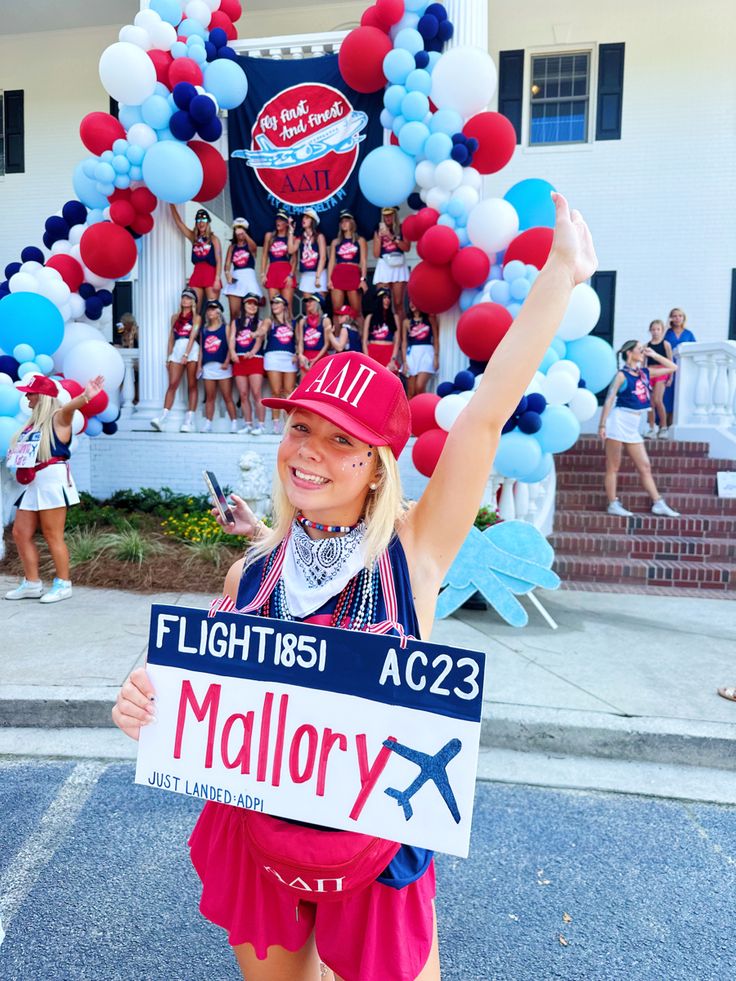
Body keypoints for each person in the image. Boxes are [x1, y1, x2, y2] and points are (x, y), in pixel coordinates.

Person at [113, 192, 598, 981]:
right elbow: (196, 693)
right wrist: (146, 698)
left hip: (375, 845)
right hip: (263, 834)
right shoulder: (252, 571)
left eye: (344, 441)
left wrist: (561, 278)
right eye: (301, 426)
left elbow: (481, 419)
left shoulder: (414, 550)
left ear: (377, 464)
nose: (310, 451)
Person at [5, 373, 104, 604]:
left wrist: (85, 397)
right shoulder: (32, 425)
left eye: (30, 393)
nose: (27, 397)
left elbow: (70, 407)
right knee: (20, 533)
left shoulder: (59, 417)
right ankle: (31, 583)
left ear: (42, 396)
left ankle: (63, 584)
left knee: (52, 534)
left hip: (51, 479)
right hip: (33, 481)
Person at [598, 339, 680, 518]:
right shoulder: (621, 375)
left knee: (645, 466)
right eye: (640, 350)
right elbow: (609, 399)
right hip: (618, 421)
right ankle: (613, 503)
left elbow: (673, 367)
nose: (643, 352)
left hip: (633, 424)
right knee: (613, 466)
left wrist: (654, 354)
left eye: (643, 350)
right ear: (629, 353)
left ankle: (658, 503)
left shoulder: (644, 373)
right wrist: (602, 424)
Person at [151, 288, 201, 433]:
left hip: (191, 349)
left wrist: (186, 354)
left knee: (192, 384)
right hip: (177, 348)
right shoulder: (175, 317)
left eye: (188, 298)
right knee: (173, 383)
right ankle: (163, 417)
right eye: (183, 297)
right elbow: (171, 338)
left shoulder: (196, 318)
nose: (185, 300)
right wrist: (169, 356)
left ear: (193, 301)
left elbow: (193, 335)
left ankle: (189, 420)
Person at [169, 204, 222, 308]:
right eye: (198, 220)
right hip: (197, 274)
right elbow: (180, 224)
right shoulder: (194, 237)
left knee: (213, 308)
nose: (201, 223)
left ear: (208, 222)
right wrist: (172, 206)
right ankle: (196, 325)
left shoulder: (214, 239)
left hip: (210, 274)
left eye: (203, 220)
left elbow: (219, 260)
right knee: (193, 308)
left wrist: (217, 279)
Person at [228, 292, 266, 435]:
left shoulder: (260, 322)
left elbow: (259, 340)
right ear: (244, 305)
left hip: (255, 358)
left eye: (255, 304)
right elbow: (232, 338)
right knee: (243, 394)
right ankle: (248, 424)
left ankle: (261, 425)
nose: (252, 306)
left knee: (256, 393)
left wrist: (252, 351)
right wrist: (232, 352)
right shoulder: (236, 322)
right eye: (249, 303)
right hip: (239, 359)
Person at [198, 299, 238, 434]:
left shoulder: (225, 328)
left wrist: (227, 361)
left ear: (219, 311)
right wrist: (199, 366)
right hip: (208, 366)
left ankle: (234, 423)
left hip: (223, 367)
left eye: (214, 309)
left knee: (227, 396)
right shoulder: (204, 329)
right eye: (209, 309)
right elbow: (201, 350)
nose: (211, 311)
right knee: (210, 397)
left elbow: (229, 345)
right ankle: (208, 423)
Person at [262, 294, 297, 434]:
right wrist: (255, 334)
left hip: (289, 357)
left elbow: (299, 340)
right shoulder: (269, 320)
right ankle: (276, 424)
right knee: (276, 391)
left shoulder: (293, 322)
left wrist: (298, 353)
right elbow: (263, 330)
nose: (274, 305)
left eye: (277, 303)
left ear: (284, 306)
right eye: (273, 303)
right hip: (273, 356)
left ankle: (289, 423)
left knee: (289, 392)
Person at [328, 209, 367, 319]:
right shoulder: (335, 242)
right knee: (337, 311)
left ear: (352, 223)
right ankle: (337, 336)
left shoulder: (360, 240)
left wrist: (363, 279)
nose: (344, 223)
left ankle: (361, 336)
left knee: (357, 311)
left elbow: (363, 261)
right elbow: (331, 262)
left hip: (353, 274)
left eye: (346, 221)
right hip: (338, 274)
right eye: (342, 221)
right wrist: (329, 280)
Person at [373, 206, 410, 320]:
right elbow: (375, 254)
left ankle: (402, 334)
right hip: (384, 264)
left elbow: (406, 247)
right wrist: (380, 238)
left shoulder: (402, 228)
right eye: (385, 215)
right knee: (382, 301)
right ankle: (385, 331)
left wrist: (391, 237)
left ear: (395, 215)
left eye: (390, 215)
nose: (387, 218)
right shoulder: (378, 230)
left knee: (398, 303)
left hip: (398, 264)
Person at [222, 218, 261, 323]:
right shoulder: (232, 247)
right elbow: (227, 265)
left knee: (251, 313)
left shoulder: (250, 245)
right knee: (234, 314)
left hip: (249, 277)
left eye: (242, 229)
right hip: (236, 277)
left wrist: (244, 234)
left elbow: (254, 248)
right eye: (237, 229)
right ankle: (233, 337)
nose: (239, 232)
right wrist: (227, 275)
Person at [663, 307, 696, 426]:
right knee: (665, 397)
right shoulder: (666, 333)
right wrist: (666, 326)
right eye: (675, 316)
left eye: (680, 316)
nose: (677, 318)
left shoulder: (688, 334)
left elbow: (694, 351)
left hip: (683, 371)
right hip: (667, 369)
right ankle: (663, 426)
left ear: (683, 318)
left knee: (678, 398)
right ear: (671, 318)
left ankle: (673, 425)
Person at [262, 209, 296, 315]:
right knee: (275, 307)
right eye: (278, 219)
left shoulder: (291, 237)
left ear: (286, 223)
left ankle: (290, 331)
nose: (278, 222)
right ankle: (276, 331)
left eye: (282, 220)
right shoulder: (270, 236)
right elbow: (264, 256)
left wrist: (291, 275)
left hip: (286, 272)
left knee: (287, 307)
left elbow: (294, 259)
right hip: (272, 272)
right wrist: (263, 274)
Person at [402, 300, 439, 397]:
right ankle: (412, 412)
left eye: (415, 301)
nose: (411, 304)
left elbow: (435, 338)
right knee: (411, 392)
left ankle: (424, 410)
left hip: (427, 353)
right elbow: (404, 343)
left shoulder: (430, 318)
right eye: (410, 302)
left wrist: (436, 357)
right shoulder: (406, 322)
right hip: (412, 355)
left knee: (420, 386)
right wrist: (405, 362)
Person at [645, 319, 675, 438]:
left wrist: (670, 377)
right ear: (650, 330)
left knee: (658, 400)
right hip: (650, 372)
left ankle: (663, 427)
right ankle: (652, 428)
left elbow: (670, 362)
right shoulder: (647, 345)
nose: (655, 332)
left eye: (658, 329)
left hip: (662, 372)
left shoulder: (666, 344)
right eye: (653, 329)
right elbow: (644, 363)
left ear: (662, 331)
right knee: (650, 403)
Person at [292, 208, 327, 302]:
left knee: (319, 305)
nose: (304, 219)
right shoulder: (300, 237)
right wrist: (291, 231)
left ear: (313, 221)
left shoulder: (319, 236)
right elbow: (291, 250)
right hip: (306, 274)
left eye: (307, 217)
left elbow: (323, 258)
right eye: (304, 217)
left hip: (318, 273)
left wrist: (318, 277)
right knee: (309, 306)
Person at [363, 287, 400, 370]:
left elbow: (397, 341)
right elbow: (364, 341)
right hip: (372, 352)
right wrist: (367, 359)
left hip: (388, 352)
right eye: (384, 298)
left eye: (389, 298)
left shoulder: (394, 317)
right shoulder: (370, 317)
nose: (387, 300)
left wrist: (393, 360)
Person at [297, 294, 330, 374]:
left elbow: (327, 344)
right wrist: (300, 354)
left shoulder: (325, 320)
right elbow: (300, 341)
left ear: (317, 304)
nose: (307, 303)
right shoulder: (303, 321)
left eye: (310, 301)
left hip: (321, 356)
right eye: (307, 302)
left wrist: (316, 359)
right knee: (305, 384)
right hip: (306, 356)